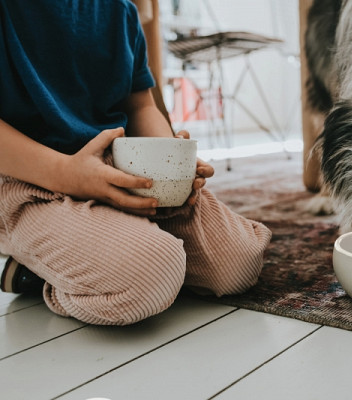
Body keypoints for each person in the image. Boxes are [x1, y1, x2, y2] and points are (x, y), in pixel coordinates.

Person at [0, 0, 272, 325]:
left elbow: (140, 105)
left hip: (122, 173)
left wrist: (171, 162)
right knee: (153, 271)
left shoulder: (120, 10)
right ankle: (43, 274)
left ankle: (108, 245)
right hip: (31, 182)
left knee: (239, 263)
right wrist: (67, 175)